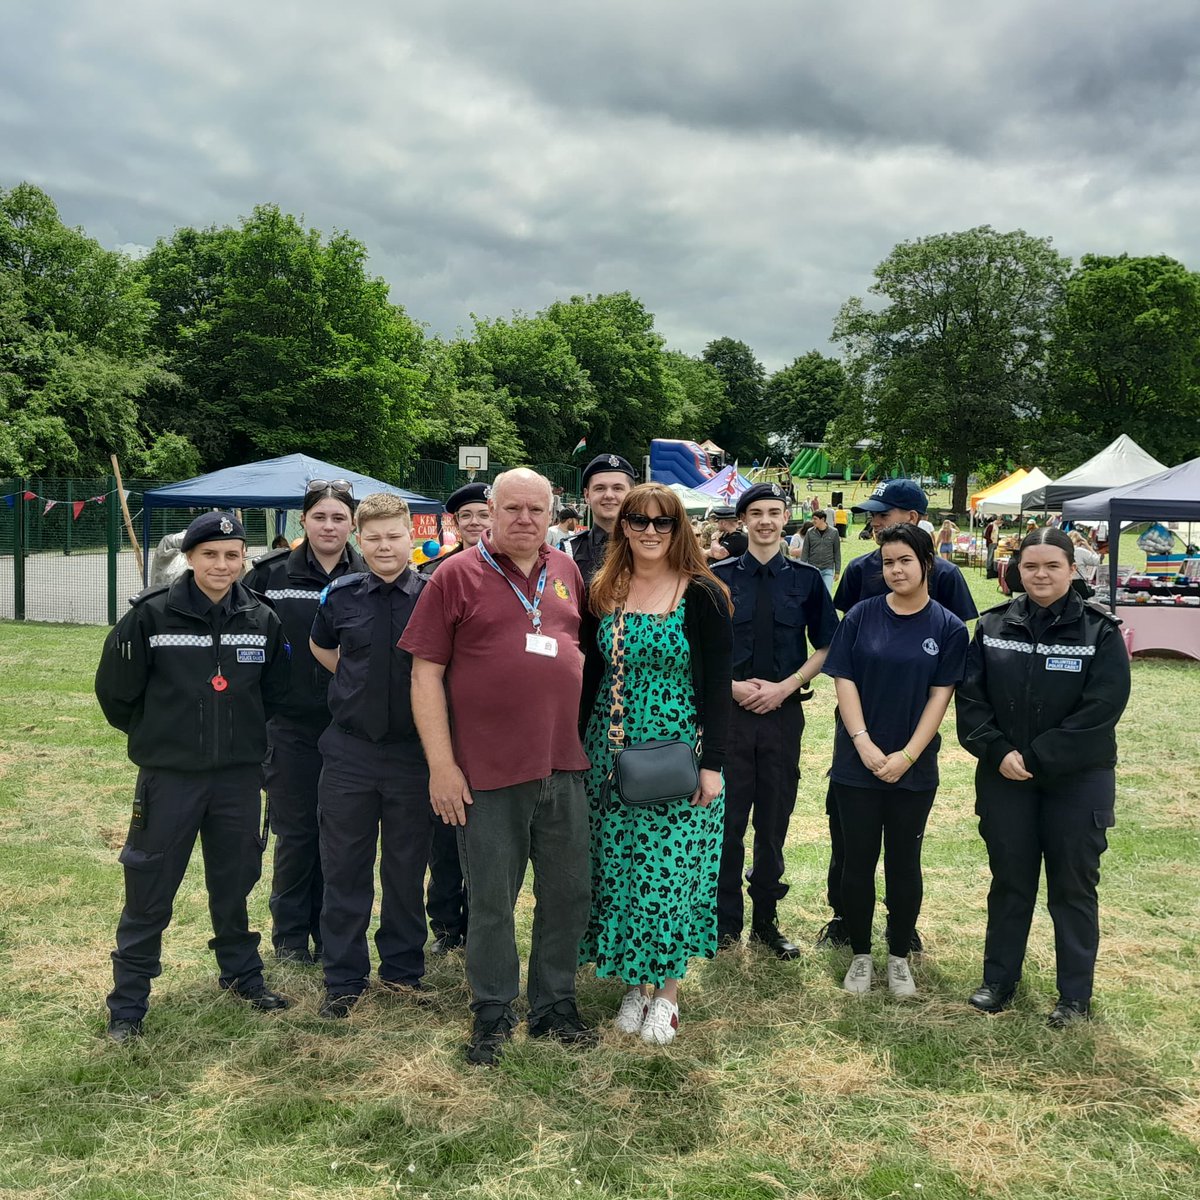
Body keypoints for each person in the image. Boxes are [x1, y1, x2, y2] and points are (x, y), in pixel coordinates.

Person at [402, 468, 594, 1065]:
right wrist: (442, 766)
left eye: (537, 510)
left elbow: (574, 651)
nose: (525, 520)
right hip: (485, 774)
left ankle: (553, 1002)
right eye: (512, 509)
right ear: (490, 508)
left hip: (562, 766)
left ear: (551, 512)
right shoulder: (454, 575)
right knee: (490, 900)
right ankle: (492, 1008)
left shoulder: (566, 573)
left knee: (567, 893)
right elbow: (425, 673)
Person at [95, 512, 292, 1041]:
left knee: (234, 882)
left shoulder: (261, 618)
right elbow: (117, 694)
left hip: (236, 780)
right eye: (211, 554)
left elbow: (273, 694)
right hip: (170, 779)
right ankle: (129, 1005)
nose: (223, 565)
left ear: (244, 558)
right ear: (190, 557)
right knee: (150, 886)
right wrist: (163, 738)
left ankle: (241, 975)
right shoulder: (151, 617)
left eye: (233, 555)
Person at [956, 527, 1130, 1026]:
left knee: (1073, 888)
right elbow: (971, 700)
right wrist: (997, 750)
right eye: (1030, 566)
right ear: (1016, 570)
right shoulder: (991, 627)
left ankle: (1074, 996)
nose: (1040, 575)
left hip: (1077, 780)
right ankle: (998, 980)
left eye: (1052, 566)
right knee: (1010, 881)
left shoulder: (1101, 630)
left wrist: (1035, 756)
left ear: (1072, 570)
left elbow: (1101, 709)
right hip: (1004, 776)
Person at [579, 483, 733, 1043]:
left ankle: (666, 993)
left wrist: (713, 763)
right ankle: (633, 984)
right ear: (621, 527)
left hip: (677, 754)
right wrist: (574, 747)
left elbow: (718, 686)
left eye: (661, 522)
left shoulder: (704, 595)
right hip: (609, 752)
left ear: (678, 529)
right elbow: (589, 677)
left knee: (668, 873)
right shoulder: (603, 591)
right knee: (619, 870)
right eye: (637, 520)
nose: (649, 530)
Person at [819, 479, 978, 952]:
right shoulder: (862, 580)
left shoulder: (946, 580)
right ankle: (848, 921)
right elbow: (847, 657)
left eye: (884, 515)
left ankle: (900, 931)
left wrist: (910, 753)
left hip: (912, 741)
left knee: (904, 855)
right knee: (849, 841)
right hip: (858, 739)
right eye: (889, 560)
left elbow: (943, 680)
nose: (874, 522)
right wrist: (863, 741)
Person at [307, 493, 432, 1018]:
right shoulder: (340, 595)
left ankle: (402, 970)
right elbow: (322, 647)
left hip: (412, 757)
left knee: (406, 869)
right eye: (374, 537)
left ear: (412, 537)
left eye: (394, 535)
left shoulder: (434, 594)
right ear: (360, 539)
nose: (384, 546)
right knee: (345, 868)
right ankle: (344, 977)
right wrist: (359, 689)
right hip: (350, 755)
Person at [711, 483, 835, 958]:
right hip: (732, 715)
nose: (765, 521)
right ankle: (725, 924)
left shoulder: (805, 580)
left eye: (774, 512)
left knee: (775, 816)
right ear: (743, 519)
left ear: (787, 519)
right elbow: (700, 647)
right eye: (756, 513)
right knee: (728, 817)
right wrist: (732, 687)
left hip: (784, 714)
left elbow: (826, 644)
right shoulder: (716, 577)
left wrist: (788, 685)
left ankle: (766, 919)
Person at [245, 480, 366, 966]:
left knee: (340, 839)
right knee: (296, 834)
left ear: (352, 523)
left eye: (339, 518)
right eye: (320, 517)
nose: (329, 526)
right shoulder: (268, 577)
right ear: (303, 521)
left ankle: (330, 933)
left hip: (350, 730)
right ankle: (291, 938)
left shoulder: (369, 573)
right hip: (291, 728)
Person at [420, 482, 493, 956]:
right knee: (445, 832)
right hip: (446, 716)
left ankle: (486, 923)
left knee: (489, 836)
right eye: (465, 516)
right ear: (454, 523)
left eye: (482, 514)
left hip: (493, 722)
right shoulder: (434, 575)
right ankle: (447, 926)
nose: (474, 523)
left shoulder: (525, 571)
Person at [564, 454, 636, 585]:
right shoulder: (568, 551)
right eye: (600, 488)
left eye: (617, 488)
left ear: (632, 493)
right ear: (587, 495)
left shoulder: (646, 547)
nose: (609, 495)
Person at [798, 508, 841, 592]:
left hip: (828, 568)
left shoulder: (834, 532)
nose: (812, 521)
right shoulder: (809, 532)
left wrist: (837, 571)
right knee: (813, 594)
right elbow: (805, 552)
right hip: (813, 569)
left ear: (823, 519)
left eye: (815, 519)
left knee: (826, 593)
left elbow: (837, 552)